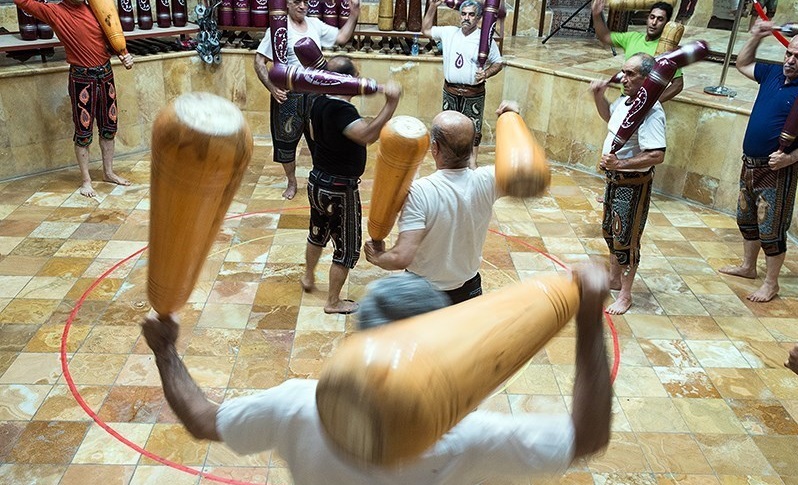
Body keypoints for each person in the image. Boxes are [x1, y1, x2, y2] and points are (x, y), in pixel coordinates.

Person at [141, 265, 612, 485]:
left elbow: (203, 419)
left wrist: (166, 352)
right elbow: (586, 438)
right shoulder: (461, 437)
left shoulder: (298, 405)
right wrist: (588, 320)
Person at [364, 106, 513, 305]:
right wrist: (511, 117)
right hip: (468, 290)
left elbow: (402, 257)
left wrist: (378, 257)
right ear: (471, 147)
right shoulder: (488, 180)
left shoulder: (420, 192)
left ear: (434, 148)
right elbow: (521, 165)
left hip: (422, 294)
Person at [300, 56, 402, 315]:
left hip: (318, 182)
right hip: (339, 189)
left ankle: (308, 277)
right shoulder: (341, 110)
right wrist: (391, 105)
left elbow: (312, 136)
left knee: (317, 232)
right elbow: (366, 136)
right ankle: (333, 302)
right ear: (347, 81)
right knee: (346, 248)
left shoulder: (317, 101)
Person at [13, 0, 134, 198]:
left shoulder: (96, 6)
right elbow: (23, 2)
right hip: (82, 79)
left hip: (106, 75)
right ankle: (86, 180)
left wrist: (124, 55)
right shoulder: (54, 12)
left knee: (109, 127)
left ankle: (108, 172)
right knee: (83, 132)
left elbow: (109, 38)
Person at [719, 21, 798, 303]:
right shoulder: (773, 73)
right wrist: (755, 36)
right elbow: (742, 64)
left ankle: (771, 283)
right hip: (750, 164)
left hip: (777, 170)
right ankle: (748, 266)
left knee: (771, 228)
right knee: (747, 217)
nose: (790, 60)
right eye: (789, 53)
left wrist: (790, 157)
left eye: (797, 57)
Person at [253, 0, 360, 200]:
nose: (303, 6)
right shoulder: (278, 27)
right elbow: (259, 61)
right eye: (296, 2)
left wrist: (354, 14)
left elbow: (342, 37)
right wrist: (272, 87)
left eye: (305, 2)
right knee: (286, 142)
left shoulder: (315, 25)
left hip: (314, 95)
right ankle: (292, 182)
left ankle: (317, 177)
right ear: (287, 4)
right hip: (287, 94)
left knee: (320, 139)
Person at [590, 52, 666, 315]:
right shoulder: (626, 101)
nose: (623, 78)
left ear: (647, 79)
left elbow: (657, 154)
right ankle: (613, 279)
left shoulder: (652, 111)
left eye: (630, 74)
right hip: (614, 180)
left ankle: (625, 294)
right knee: (610, 231)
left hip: (633, 184)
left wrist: (619, 165)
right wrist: (599, 97)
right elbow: (609, 117)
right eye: (623, 72)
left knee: (627, 239)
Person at [421, 0, 503, 168]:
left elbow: (498, 62)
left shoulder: (484, 38)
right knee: (447, 128)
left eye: (471, 14)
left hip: (473, 92)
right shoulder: (450, 32)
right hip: (450, 90)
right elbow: (426, 30)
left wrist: (486, 73)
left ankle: (472, 163)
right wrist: (432, 7)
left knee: (474, 129)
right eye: (464, 13)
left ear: (479, 18)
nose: (467, 18)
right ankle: (447, 162)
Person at [591, 0, 684, 102]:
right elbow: (605, 37)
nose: (654, 23)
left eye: (660, 19)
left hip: (643, 105)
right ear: (647, 18)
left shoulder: (666, 49)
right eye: (652, 17)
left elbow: (678, 84)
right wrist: (596, 14)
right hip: (624, 99)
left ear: (666, 24)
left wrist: (651, 103)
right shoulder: (632, 37)